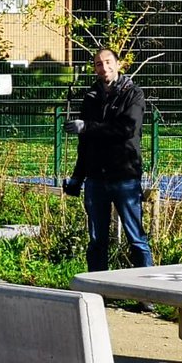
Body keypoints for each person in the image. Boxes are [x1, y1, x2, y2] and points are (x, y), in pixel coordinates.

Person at [62, 47, 155, 274]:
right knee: (96, 241)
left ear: (118, 64)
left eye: (108, 62)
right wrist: (77, 177)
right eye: (98, 64)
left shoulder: (133, 94)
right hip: (95, 178)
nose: (104, 68)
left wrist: (88, 127)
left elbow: (126, 129)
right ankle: (98, 291)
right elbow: (85, 143)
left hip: (124, 175)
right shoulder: (91, 96)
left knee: (136, 239)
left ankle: (146, 293)